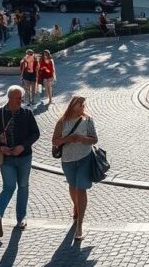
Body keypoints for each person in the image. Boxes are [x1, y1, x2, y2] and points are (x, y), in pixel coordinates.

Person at [0, 85, 41, 237]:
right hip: (7, 158)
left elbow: (35, 133)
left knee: (23, 186)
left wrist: (23, 146)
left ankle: (21, 218)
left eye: (21, 98)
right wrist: (0, 146)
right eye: (18, 98)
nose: (20, 101)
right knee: (9, 187)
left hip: (24, 157)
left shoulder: (27, 113)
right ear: (9, 98)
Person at [52, 95, 99, 241]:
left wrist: (82, 139)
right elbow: (54, 141)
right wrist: (68, 139)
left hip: (85, 158)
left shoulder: (88, 120)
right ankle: (76, 207)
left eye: (83, 106)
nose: (82, 108)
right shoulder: (62, 122)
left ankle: (79, 225)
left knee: (81, 188)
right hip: (68, 160)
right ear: (72, 106)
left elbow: (95, 139)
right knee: (73, 186)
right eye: (80, 106)